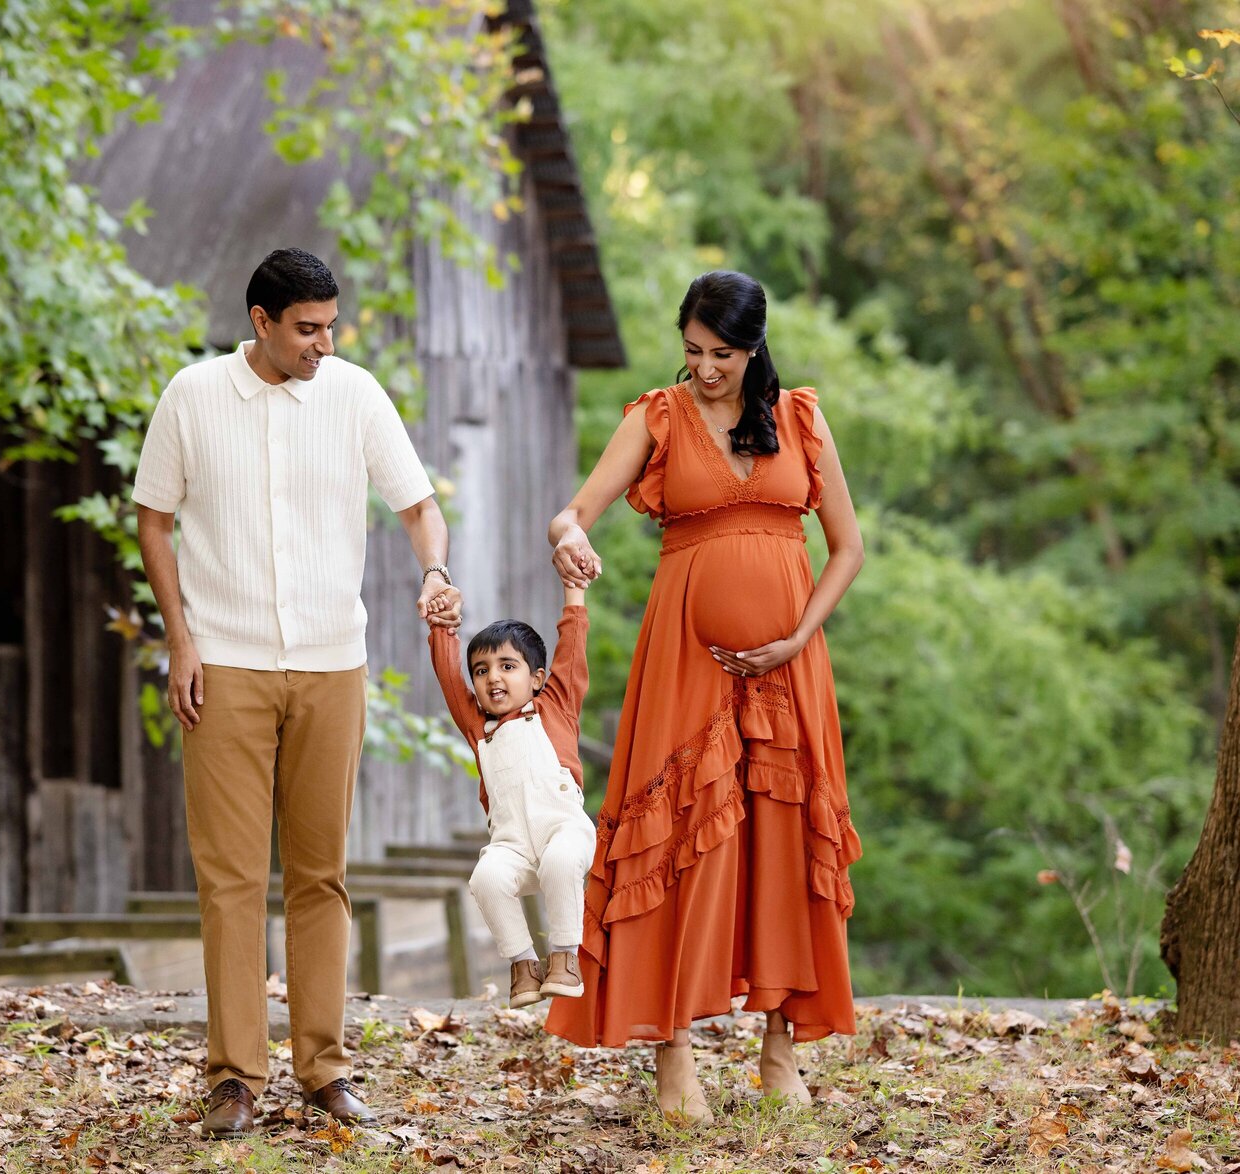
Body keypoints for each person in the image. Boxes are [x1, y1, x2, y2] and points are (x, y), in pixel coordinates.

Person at [133, 248, 462, 1138]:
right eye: (307, 328)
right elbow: (153, 520)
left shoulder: (354, 395)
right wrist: (181, 637)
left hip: (330, 664)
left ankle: (323, 1071)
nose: (324, 342)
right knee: (232, 879)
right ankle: (234, 1076)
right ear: (262, 321)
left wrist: (432, 568)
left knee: (322, 875)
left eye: (330, 325)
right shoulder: (192, 397)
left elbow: (418, 504)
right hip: (226, 665)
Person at [542, 270, 865, 1123]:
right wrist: (569, 540)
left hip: (790, 669)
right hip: (686, 661)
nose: (705, 369)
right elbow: (573, 513)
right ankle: (673, 1056)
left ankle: (781, 1048)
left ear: (753, 346)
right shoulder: (658, 415)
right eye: (692, 350)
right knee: (678, 840)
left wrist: (797, 636)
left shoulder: (798, 417)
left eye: (721, 353)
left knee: (784, 839)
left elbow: (848, 549)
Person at [425, 581, 598, 1010]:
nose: (493, 677)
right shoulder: (477, 727)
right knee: (485, 878)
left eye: (507, 666)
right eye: (481, 671)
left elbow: (572, 650)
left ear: (537, 678)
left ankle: (564, 957)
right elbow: (449, 677)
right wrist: (443, 626)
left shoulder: (555, 706)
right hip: (513, 846)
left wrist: (574, 592)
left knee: (560, 861)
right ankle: (523, 964)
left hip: (565, 833)